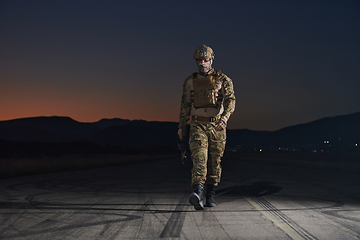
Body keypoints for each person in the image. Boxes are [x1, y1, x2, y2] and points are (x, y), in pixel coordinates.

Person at [178, 45, 236, 210]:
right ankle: (198, 193)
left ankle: (211, 193)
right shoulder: (190, 82)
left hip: (217, 125)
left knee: (214, 162)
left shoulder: (223, 79)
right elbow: (184, 107)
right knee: (199, 159)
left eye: (205, 60)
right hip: (198, 125)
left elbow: (230, 100)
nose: (202, 63)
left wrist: (225, 118)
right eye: (199, 60)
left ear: (211, 60)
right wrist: (181, 130)